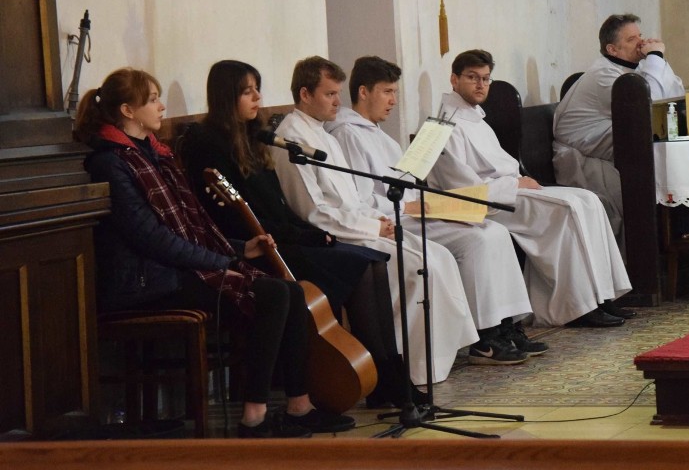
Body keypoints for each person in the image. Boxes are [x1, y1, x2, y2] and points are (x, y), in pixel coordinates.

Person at [75, 67, 354, 438]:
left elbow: (195, 226)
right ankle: (253, 416)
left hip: (177, 270)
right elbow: (152, 239)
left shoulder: (155, 155)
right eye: (154, 99)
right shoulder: (111, 163)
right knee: (271, 292)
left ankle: (299, 405)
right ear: (127, 110)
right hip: (146, 282)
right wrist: (223, 262)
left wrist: (241, 249)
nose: (162, 107)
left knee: (289, 289)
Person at [178, 60, 416, 408]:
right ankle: (383, 378)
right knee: (361, 265)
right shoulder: (210, 144)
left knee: (373, 259)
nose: (258, 97)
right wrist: (308, 235)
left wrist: (312, 234)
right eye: (248, 91)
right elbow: (243, 217)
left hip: (284, 236)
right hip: (255, 247)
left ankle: (389, 370)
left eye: (258, 88)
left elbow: (277, 205)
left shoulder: (254, 136)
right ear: (226, 96)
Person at [272, 56, 479, 385]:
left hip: (358, 224)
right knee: (420, 268)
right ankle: (407, 366)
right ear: (305, 94)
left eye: (338, 93)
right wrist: (372, 226)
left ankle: (434, 360)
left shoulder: (322, 133)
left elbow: (351, 197)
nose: (339, 102)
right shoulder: (292, 139)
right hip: (335, 238)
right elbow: (313, 211)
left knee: (437, 256)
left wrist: (379, 219)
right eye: (329, 94)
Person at [325, 56, 546, 365]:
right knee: (477, 241)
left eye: (395, 93)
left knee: (494, 229)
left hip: (415, 209)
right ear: (364, 92)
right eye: (388, 92)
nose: (393, 101)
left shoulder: (377, 133)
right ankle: (484, 338)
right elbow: (363, 200)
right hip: (394, 220)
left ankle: (505, 325)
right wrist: (413, 204)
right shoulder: (348, 134)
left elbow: (400, 181)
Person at [428, 50, 635, 328]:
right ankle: (576, 307)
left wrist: (516, 183)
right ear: (454, 80)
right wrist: (513, 184)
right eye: (472, 78)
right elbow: (462, 189)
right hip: (489, 203)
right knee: (569, 209)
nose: (480, 85)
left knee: (590, 200)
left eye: (486, 79)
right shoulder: (443, 124)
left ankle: (602, 296)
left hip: (511, 191)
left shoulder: (474, 117)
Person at [552, 14, 684, 241]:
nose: (642, 43)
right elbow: (646, 105)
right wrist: (654, 56)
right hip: (583, 150)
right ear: (612, 49)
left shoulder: (629, 71)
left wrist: (657, 58)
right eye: (632, 39)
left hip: (607, 143)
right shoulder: (605, 74)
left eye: (641, 36)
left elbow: (674, 94)